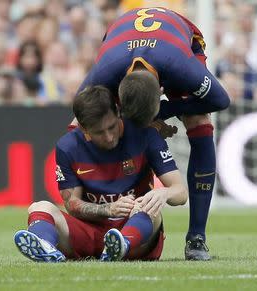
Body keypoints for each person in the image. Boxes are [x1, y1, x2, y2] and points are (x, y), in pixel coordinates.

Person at [75, 7, 230, 260]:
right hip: (120, 41)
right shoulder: (106, 71)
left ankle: (197, 238)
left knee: (199, 119)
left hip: (180, 41)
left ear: (161, 90)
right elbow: (78, 112)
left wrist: (166, 110)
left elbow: (221, 100)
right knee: (91, 119)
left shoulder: (182, 67)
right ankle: (100, 226)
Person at [14, 85, 187, 262]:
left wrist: (163, 193)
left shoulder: (145, 135)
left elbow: (180, 193)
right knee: (39, 207)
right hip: (91, 233)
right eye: (99, 132)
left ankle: (122, 244)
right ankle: (46, 247)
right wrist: (108, 209)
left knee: (150, 209)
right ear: (83, 128)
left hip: (137, 232)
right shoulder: (68, 147)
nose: (109, 137)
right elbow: (72, 204)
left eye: (112, 127)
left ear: (118, 112)